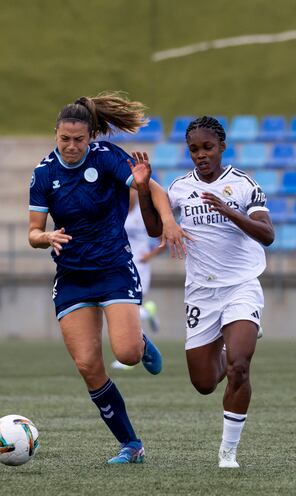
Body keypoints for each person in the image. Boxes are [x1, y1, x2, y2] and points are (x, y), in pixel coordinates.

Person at [28, 92, 188, 464]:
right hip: (72, 277)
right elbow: (33, 232)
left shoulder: (107, 158)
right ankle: (131, 444)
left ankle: (141, 342)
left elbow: (152, 188)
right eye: (64, 139)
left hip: (114, 267)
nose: (71, 146)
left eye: (78, 140)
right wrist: (46, 237)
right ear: (55, 135)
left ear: (90, 137)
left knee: (127, 353)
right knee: (88, 365)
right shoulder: (42, 174)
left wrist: (167, 221)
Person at [138, 116, 275, 468]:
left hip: (241, 286)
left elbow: (267, 234)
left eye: (208, 148)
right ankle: (230, 346)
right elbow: (155, 229)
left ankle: (228, 452)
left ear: (222, 148)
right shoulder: (181, 188)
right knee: (203, 383)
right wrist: (142, 189)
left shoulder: (244, 185)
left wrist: (230, 212)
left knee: (239, 367)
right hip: (201, 293)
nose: (201, 155)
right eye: (195, 149)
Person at [111, 189, 164, 370]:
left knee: (130, 311)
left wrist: (149, 256)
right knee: (125, 309)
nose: (129, 195)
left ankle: (128, 356)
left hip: (140, 266)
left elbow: (164, 237)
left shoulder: (144, 214)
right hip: (120, 265)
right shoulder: (116, 209)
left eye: (132, 191)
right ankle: (148, 314)